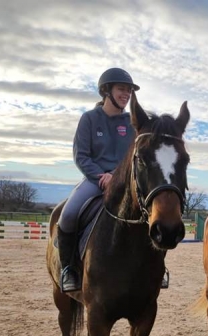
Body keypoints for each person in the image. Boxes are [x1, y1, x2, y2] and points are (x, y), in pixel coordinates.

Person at [56, 67, 139, 293]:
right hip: (94, 180)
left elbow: (135, 157)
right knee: (69, 214)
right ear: (106, 91)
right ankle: (69, 269)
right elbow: (81, 155)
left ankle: (155, 269)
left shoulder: (132, 124)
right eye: (122, 89)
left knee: (149, 213)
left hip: (123, 181)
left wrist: (118, 176)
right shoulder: (89, 119)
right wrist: (100, 176)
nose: (126, 94)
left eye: (129, 90)